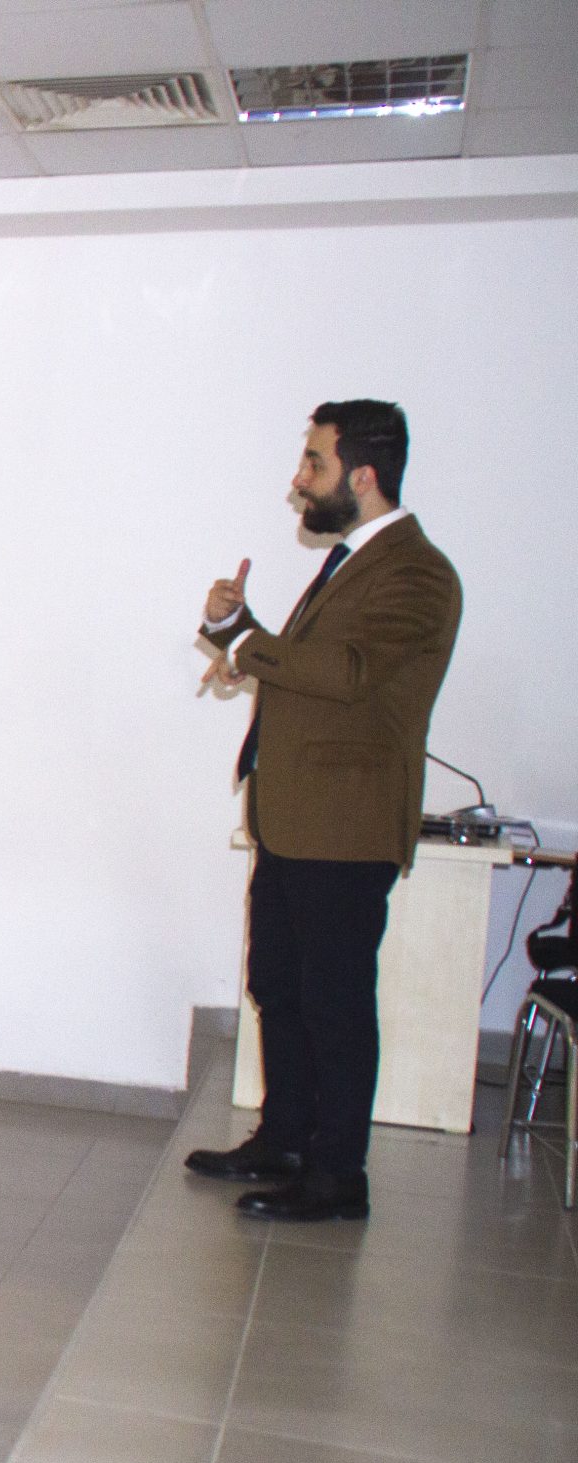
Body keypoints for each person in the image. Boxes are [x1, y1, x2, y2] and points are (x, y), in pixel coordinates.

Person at [183, 401, 462, 1223]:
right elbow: (309, 669)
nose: (298, 481)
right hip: (294, 819)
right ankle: (285, 1138)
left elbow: (346, 673)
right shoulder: (352, 562)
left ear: (363, 475)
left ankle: (338, 1173)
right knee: (279, 983)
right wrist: (235, 628)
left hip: (344, 828)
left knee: (333, 1001)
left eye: (314, 463)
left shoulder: (418, 572)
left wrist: (246, 644)